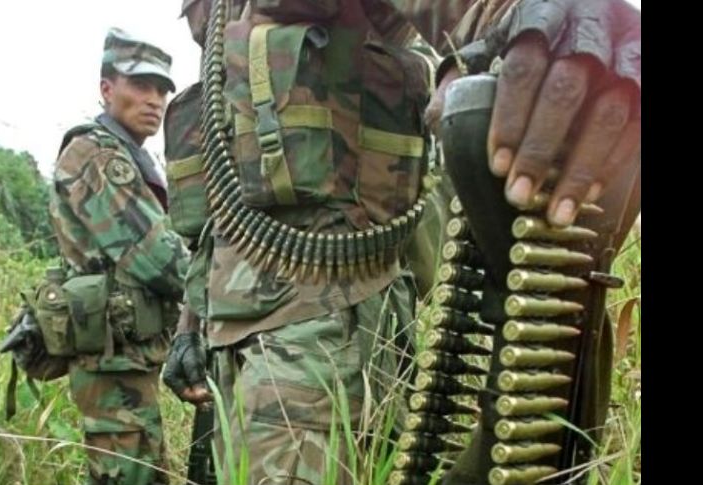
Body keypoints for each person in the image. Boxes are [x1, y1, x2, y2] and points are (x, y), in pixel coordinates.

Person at [162, 1, 641, 483]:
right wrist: (192, 319)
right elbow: (227, 184)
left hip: (317, 333)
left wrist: (548, 15)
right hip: (229, 332)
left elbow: (483, 10)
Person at [49, 27, 189, 485]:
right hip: (111, 362)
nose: (155, 101)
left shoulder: (126, 156)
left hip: (126, 359)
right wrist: (229, 291)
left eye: (162, 90)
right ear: (107, 89)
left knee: (144, 472)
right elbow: (158, 258)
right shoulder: (96, 155)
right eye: (141, 85)